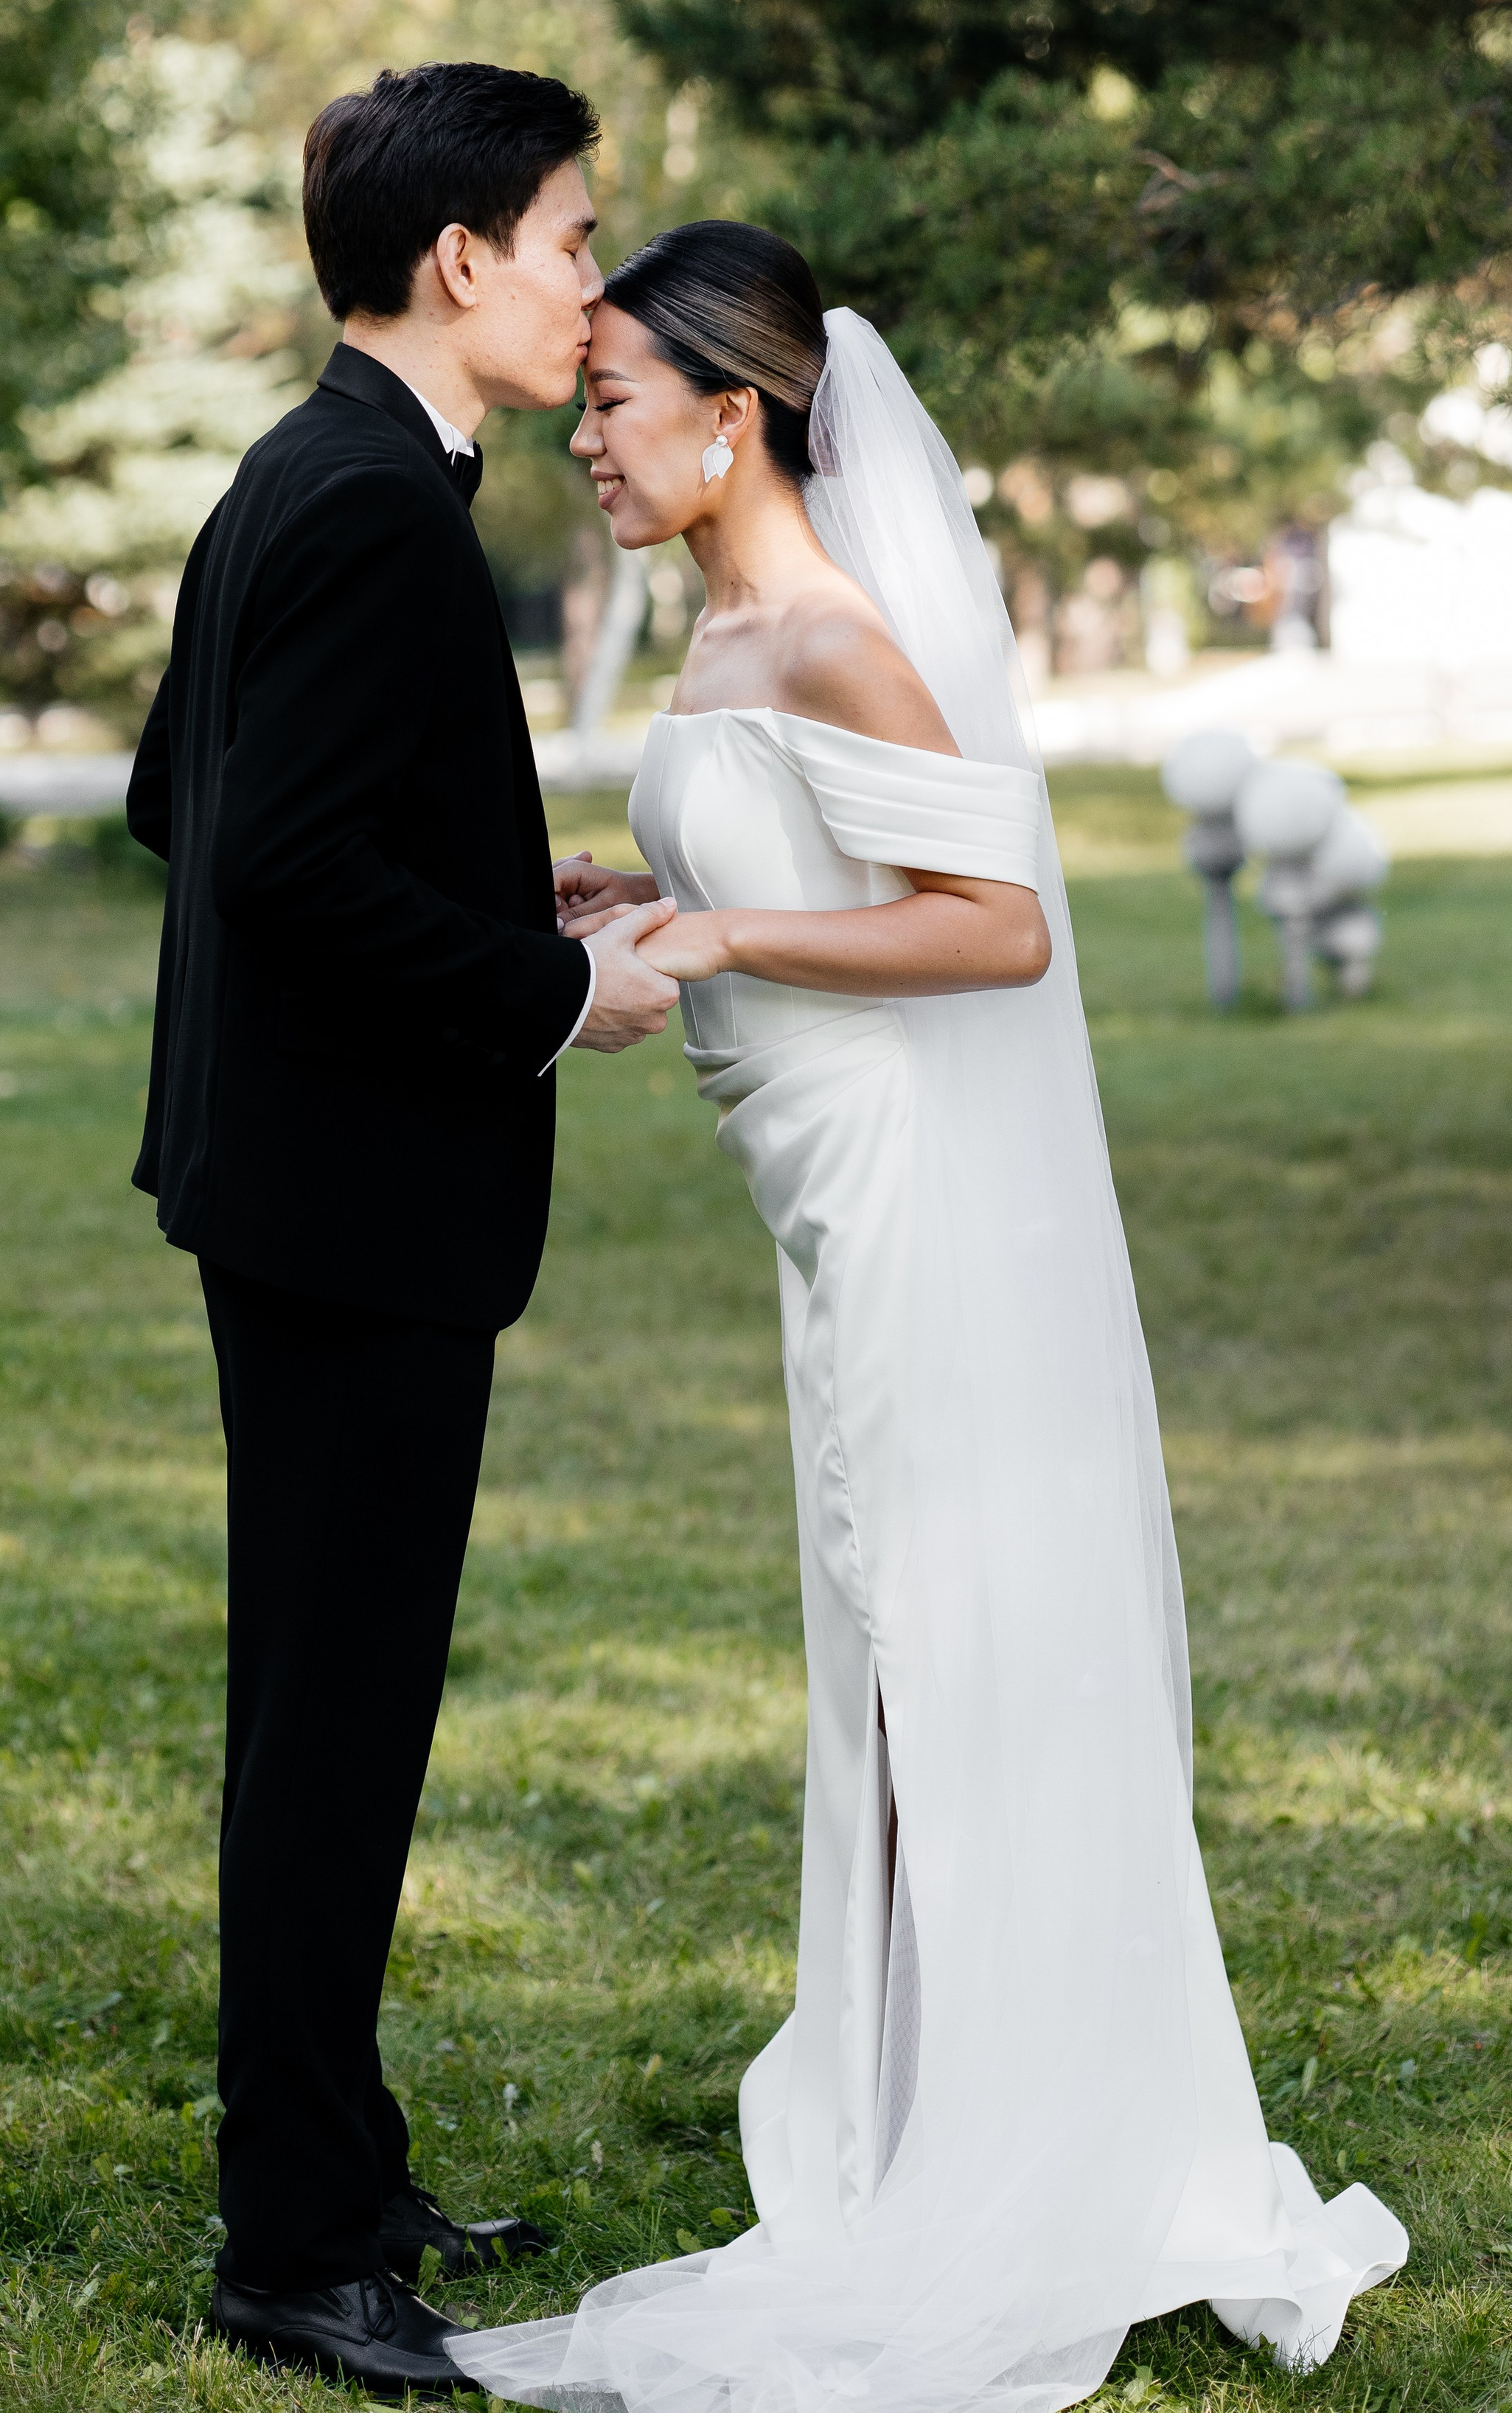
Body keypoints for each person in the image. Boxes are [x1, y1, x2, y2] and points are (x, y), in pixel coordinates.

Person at [448, 223, 1408, 2413]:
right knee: (891, 1652)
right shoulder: (722, 636)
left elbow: (1000, 935)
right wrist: (656, 904)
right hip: (828, 1214)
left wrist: (728, 944)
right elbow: (799, 878)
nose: (579, 436)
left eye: (609, 398)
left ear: (733, 408)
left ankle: (1013, 2152)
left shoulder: (829, 634)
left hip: (918, 1216)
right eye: (579, 397)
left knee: (943, 1642)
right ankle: (914, 2118)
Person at [124, 63, 680, 2398]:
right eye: (570, 241)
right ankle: (294, 2248)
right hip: (358, 1219)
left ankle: (337, 2162)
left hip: (299, 1195)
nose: (587, 285)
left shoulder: (306, 469)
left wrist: (478, 887)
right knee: (338, 1731)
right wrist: (554, 985)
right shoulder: (373, 507)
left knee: (320, 1709)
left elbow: (187, 792)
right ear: (459, 262)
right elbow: (264, 857)